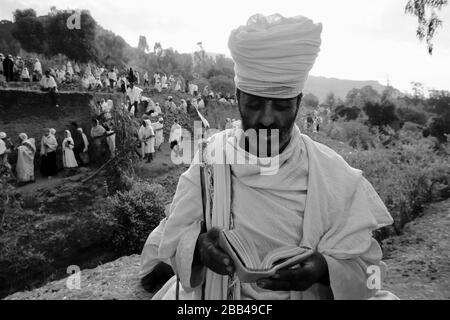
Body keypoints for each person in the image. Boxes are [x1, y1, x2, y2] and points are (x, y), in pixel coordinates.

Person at [147, 13, 398, 300]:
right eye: (254, 104)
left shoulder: (334, 176)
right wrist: (199, 248)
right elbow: (173, 238)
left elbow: (371, 272)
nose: (267, 119)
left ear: (298, 103)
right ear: (239, 98)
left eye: (281, 106)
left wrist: (325, 269)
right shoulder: (208, 160)